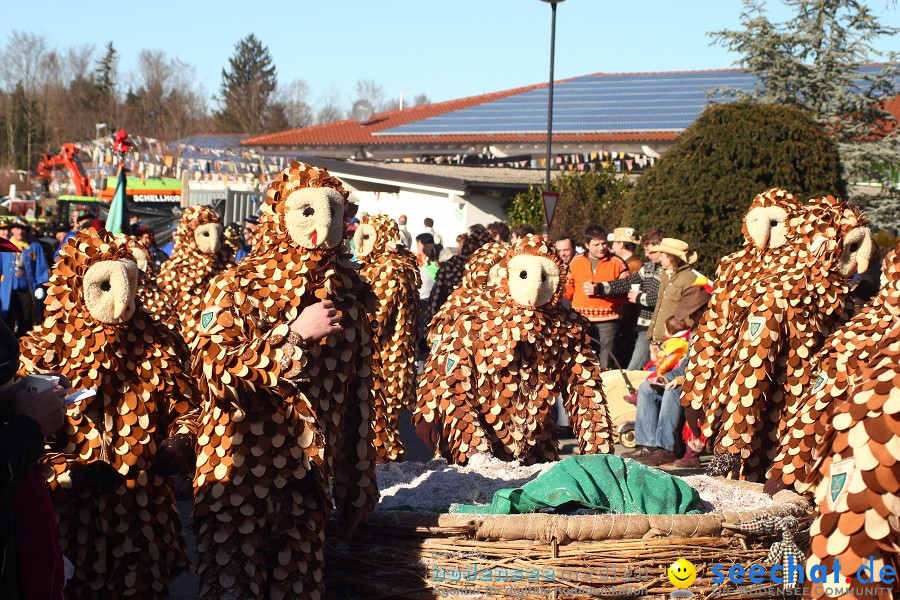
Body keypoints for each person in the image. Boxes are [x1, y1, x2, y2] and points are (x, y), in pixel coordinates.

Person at [626, 277, 711, 467]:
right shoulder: (697, 330)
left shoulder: (718, 329)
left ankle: (667, 450)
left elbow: (713, 368)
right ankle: (647, 445)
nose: (692, 319)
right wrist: (665, 376)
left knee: (673, 390)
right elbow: (686, 365)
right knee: (648, 388)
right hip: (688, 377)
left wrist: (681, 379)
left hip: (705, 383)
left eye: (694, 314)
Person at [593, 228, 665, 369]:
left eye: (650, 251)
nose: (646, 255)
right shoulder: (648, 267)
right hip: (644, 328)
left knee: (634, 369)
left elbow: (665, 298)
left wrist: (640, 298)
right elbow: (627, 283)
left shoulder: (668, 271)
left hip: (658, 330)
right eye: (645, 250)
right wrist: (600, 287)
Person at [564, 224, 629, 368]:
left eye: (604, 243)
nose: (601, 247)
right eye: (596, 244)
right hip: (580, 321)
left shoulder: (617, 263)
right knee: (580, 363)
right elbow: (568, 292)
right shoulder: (576, 261)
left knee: (604, 364)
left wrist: (601, 291)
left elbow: (626, 295)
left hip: (608, 323)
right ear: (587, 245)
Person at [644, 238, 702, 357]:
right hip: (660, 339)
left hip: (674, 343)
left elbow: (691, 315)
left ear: (671, 258)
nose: (659, 258)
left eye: (662, 255)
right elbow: (660, 307)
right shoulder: (666, 275)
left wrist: (678, 340)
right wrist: (653, 338)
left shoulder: (689, 279)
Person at [0, 219, 50, 337]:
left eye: (23, 229)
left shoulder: (34, 247)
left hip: (27, 290)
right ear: (12, 230)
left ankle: (23, 347)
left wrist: (40, 285)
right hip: (8, 290)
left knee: (26, 320)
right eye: (17, 228)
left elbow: (41, 267)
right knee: (7, 319)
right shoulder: (4, 246)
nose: (20, 232)